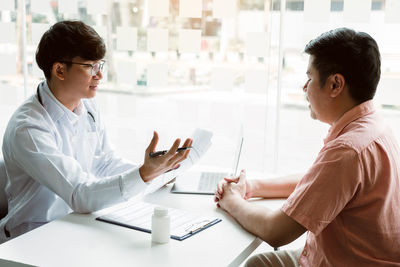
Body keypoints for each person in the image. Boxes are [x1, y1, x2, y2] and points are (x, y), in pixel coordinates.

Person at [215, 28, 400, 266]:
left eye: (310, 78)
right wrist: (251, 187)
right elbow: (320, 183)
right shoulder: (374, 126)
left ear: (335, 84)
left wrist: (230, 201)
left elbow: (276, 231)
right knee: (258, 263)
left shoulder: (348, 150)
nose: (304, 88)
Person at [0, 20, 192, 242]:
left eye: (100, 65)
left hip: (77, 225)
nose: (99, 75)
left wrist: (156, 173)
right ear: (60, 70)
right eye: (91, 66)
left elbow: (104, 163)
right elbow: (79, 194)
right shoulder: (29, 128)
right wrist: (143, 175)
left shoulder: (88, 108)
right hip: (32, 238)